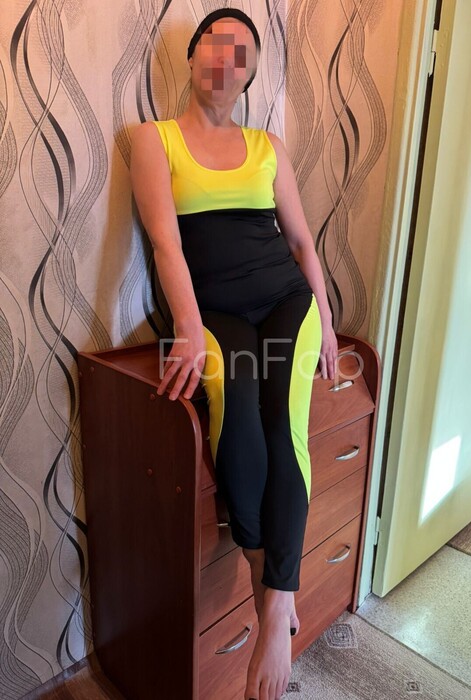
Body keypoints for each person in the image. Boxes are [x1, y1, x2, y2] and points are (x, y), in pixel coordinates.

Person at [130, 9, 338, 700]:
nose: (226, 62)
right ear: (193, 57)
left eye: (241, 55)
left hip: (285, 300)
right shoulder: (153, 140)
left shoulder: (267, 145)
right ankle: (266, 576)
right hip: (214, 312)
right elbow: (165, 244)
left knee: (284, 425)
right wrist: (187, 325)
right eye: (215, 47)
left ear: (248, 75)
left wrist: (327, 320)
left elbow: (301, 242)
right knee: (238, 411)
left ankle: (275, 607)